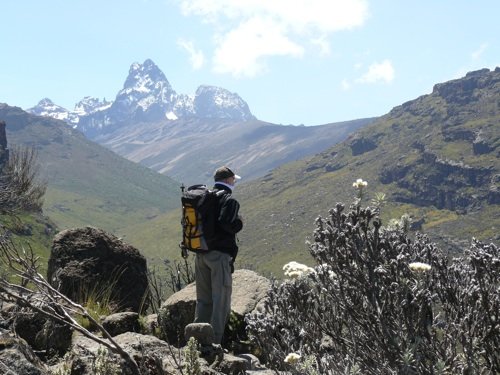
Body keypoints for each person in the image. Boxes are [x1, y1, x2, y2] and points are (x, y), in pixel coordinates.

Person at [194, 166, 243, 344]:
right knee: (220, 300)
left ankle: (197, 339)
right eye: (233, 180)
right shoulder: (228, 200)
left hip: (200, 253)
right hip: (219, 256)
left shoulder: (203, 198)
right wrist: (239, 223)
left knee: (203, 300)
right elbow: (226, 224)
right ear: (229, 180)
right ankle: (215, 343)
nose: (234, 182)